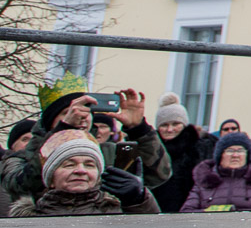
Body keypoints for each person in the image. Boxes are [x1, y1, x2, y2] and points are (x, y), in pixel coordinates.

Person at [3, 77, 170, 208]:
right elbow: (21, 185)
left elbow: (158, 175)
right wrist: (64, 131)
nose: (81, 116)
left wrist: (139, 130)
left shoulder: (108, 152)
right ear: (51, 121)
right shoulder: (21, 157)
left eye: (86, 111)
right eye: (68, 112)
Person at [9, 129, 159, 217]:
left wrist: (138, 201)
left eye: (89, 165)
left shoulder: (117, 212)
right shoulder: (27, 218)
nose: (81, 170)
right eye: (69, 164)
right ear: (51, 178)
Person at [182, 131, 251, 211]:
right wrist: (211, 213)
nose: (235, 155)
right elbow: (186, 213)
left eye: (240, 151)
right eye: (230, 151)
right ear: (220, 155)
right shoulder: (204, 181)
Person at [151, 93, 205, 212]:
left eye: (175, 124)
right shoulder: (151, 149)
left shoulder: (199, 148)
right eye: (164, 125)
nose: (170, 129)